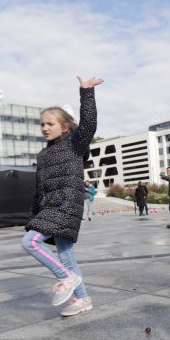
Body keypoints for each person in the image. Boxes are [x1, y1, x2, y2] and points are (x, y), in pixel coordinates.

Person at [21, 77, 102, 317]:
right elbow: (39, 189)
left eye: (50, 124)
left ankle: (66, 279)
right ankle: (83, 299)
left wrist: (86, 94)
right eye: (42, 124)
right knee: (66, 256)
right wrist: (35, 214)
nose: (45, 128)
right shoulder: (43, 155)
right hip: (50, 207)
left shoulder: (74, 144)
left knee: (30, 242)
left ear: (64, 127)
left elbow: (88, 124)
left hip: (66, 205)